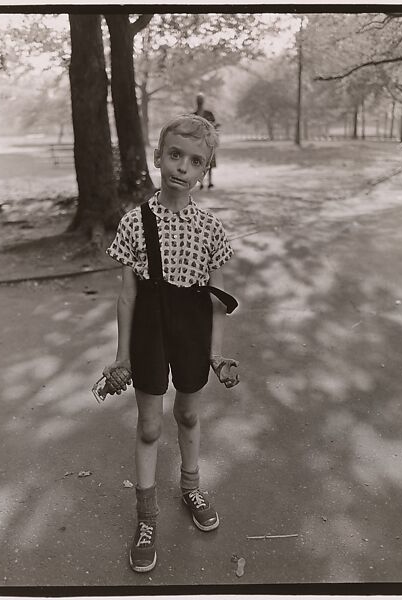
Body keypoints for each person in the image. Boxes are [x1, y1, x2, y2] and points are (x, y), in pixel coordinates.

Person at [98, 114, 240, 573]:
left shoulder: (212, 230)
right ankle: (146, 517)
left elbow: (218, 300)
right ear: (158, 157)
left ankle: (191, 486)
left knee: (188, 414)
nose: (182, 167)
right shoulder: (134, 223)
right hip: (149, 332)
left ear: (206, 171)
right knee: (149, 427)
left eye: (195, 161)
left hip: (193, 332)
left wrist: (216, 354)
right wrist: (122, 356)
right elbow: (126, 295)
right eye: (175, 155)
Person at [193, 93, 218, 189]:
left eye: (201, 100)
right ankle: (201, 182)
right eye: (199, 100)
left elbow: (214, 126)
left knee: (209, 162)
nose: (199, 102)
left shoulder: (209, 114)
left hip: (208, 141)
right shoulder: (194, 115)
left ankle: (209, 181)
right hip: (198, 143)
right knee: (199, 162)